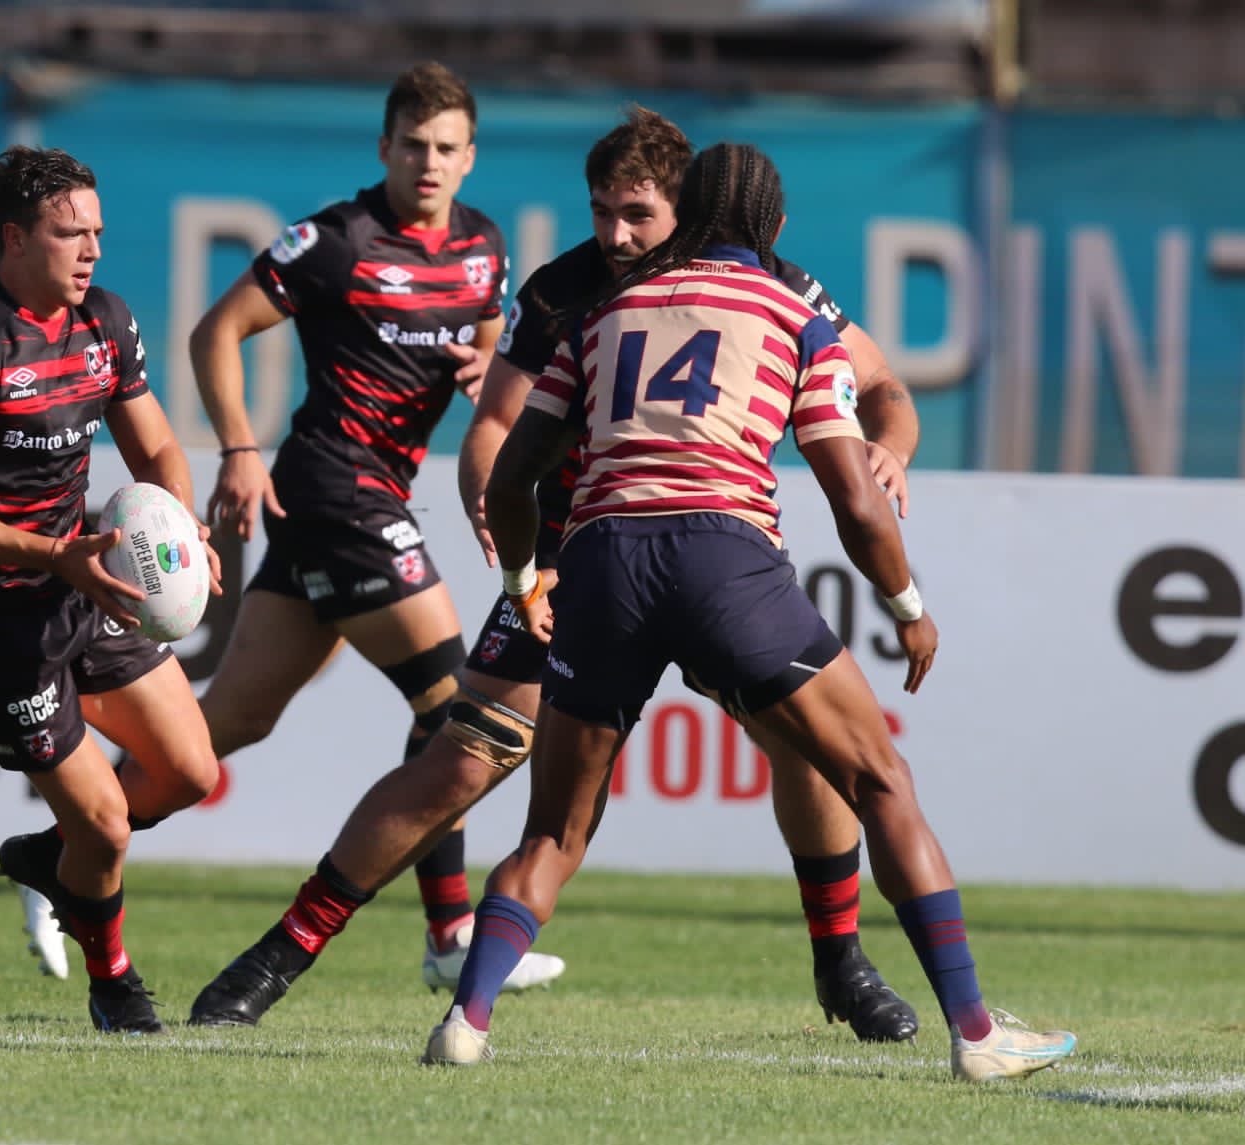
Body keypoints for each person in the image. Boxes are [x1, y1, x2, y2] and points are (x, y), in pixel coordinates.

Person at [188, 109, 917, 1042]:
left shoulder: (766, 281)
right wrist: (516, 563)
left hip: (712, 561)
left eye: (637, 215)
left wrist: (887, 446)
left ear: (684, 209)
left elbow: (885, 386)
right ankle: (279, 954)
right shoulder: (563, 289)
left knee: (806, 751)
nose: (612, 235)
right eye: (600, 211)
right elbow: (491, 432)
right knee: (461, 756)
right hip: (579, 570)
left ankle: (842, 964)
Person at [420, 142, 1077, 1084]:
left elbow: (516, 471)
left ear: (686, 217)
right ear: (772, 227)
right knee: (880, 778)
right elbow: (853, 496)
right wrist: (907, 606)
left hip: (600, 563)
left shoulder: (601, 311)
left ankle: (466, 1017)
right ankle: (974, 1031)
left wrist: (527, 578)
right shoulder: (791, 312)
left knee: (553, 836)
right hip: (720, 557)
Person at [149, 60, 563, 1016]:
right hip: (334, 487)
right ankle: (451, 936)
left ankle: (72, 847)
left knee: (229, 723)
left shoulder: (484, 249)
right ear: (383, 148)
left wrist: (484, 365)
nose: (428, 162)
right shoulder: (336, 240)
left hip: (359, 502)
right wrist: (239, 448)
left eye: (445, 148)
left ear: (469, 158)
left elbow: (491, 338)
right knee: (460, 704)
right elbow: (216, 332)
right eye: (411, 144)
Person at [0, 145, 222, 1034]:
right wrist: (54, 554)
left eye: (97, 233)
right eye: (69, 234)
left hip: (83, 581)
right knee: (108, 825)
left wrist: (183, 531)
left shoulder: (105, 321)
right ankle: (113, 982)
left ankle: (51, 857)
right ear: (12, 239)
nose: (91, 252)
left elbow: (156, 452)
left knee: (190, 772)